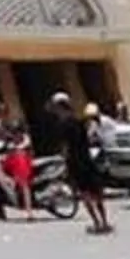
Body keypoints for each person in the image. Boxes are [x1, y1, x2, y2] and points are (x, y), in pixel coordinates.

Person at [51, 94, 112, 235]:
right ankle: (104, 222)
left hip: (75, 161)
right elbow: (87, 139)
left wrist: (64, 163)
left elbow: (65, 146)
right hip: (87, 159)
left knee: (85, 194)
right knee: (96, 192)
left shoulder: (63, 124)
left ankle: (96, 223)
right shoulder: (79, 121)